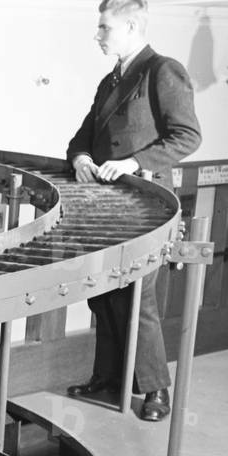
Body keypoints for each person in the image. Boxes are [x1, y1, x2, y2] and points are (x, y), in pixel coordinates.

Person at [66, 0, 201, 421]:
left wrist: (134, 162)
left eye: (104, 27)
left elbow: (187, 136)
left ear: (129, 26)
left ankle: (156, 389)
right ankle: (109, 376)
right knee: (104, 294)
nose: (98, 35)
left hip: (146, 206)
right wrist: (80, 158)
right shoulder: (110, 80)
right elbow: (82, 136)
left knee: (140, 298)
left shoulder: (163, 70)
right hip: (106, 205)